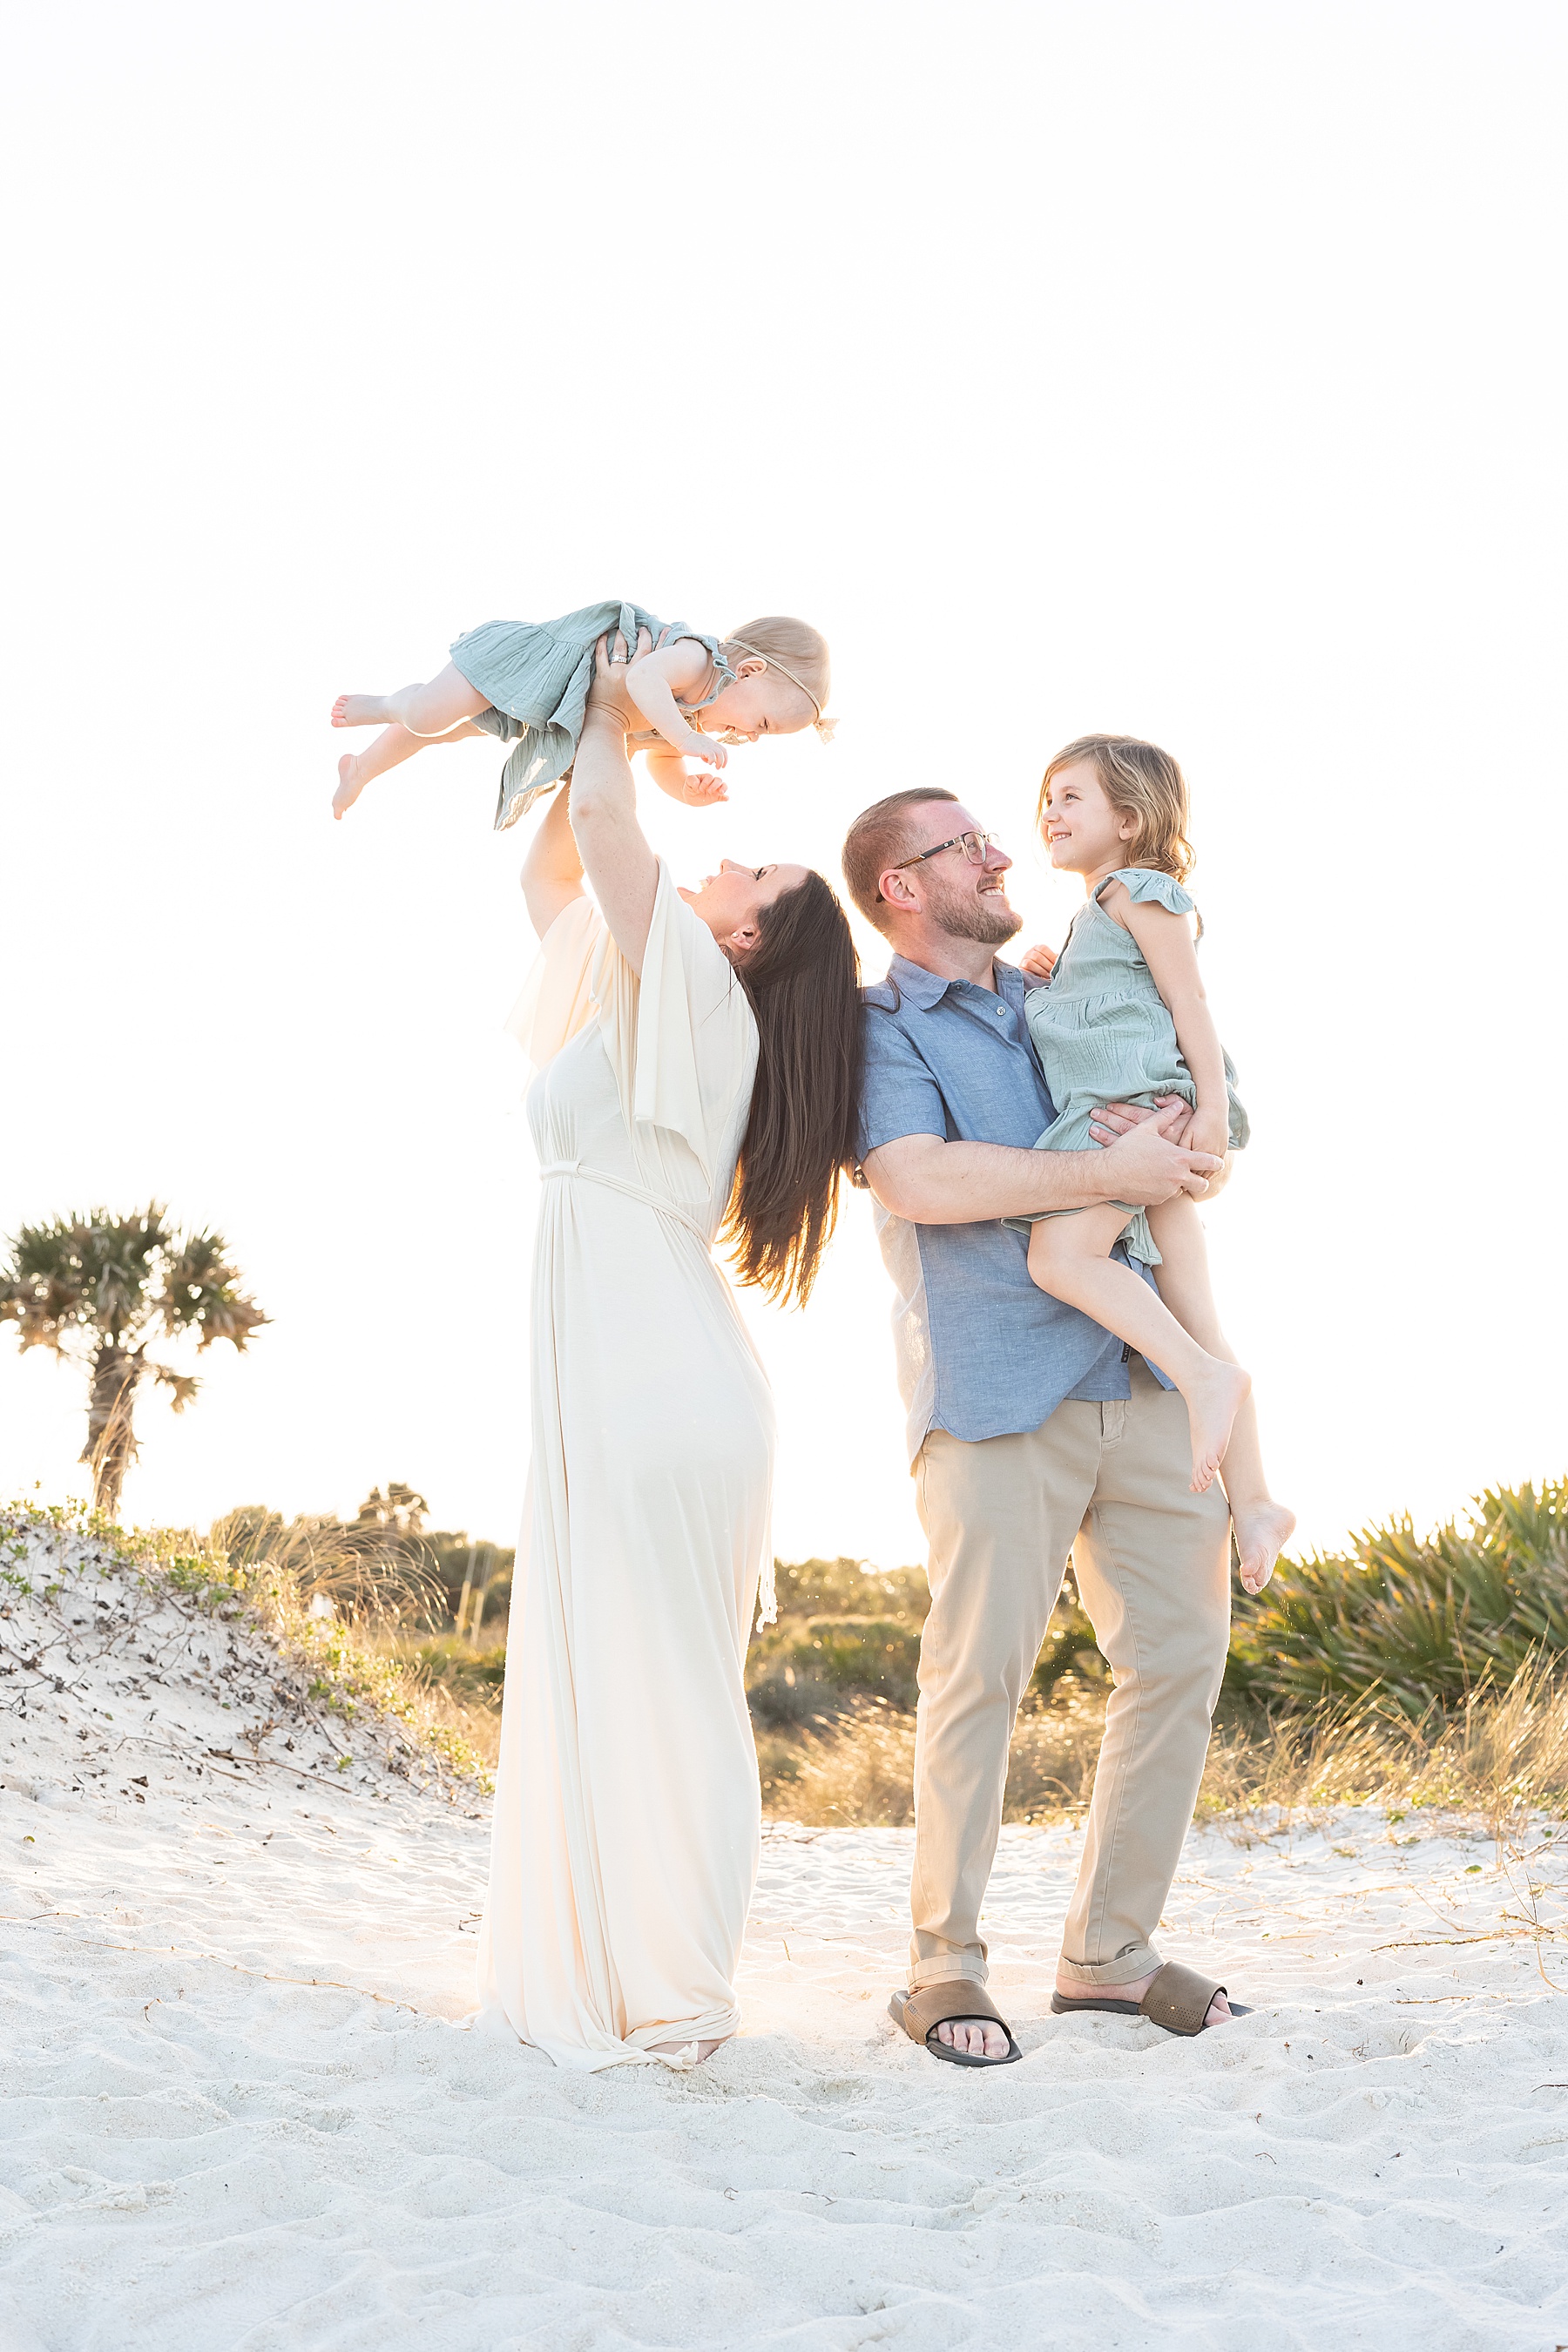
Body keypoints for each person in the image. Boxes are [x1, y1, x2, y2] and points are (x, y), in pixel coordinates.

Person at [478, 657, 861, 2071]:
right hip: (637, 1367)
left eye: (750, 870)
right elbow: (555, 876)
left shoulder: (697, 982)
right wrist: (622, 734)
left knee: (665, 1689)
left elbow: (610, 828)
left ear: (750, 939)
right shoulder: (652, 995)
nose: (727, 862)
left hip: (651, 1378)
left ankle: (685, 1992)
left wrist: (606, 703)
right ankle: (657, 1979)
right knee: (635, 1677)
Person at [842, 786, 1254, 2069]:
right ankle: (945, 1964)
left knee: (1181, 1659)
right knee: (978, 1683)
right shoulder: (879, 1026)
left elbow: (1194, 1121)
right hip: (999, 1390)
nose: (1001, 852)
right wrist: (1105, 1173)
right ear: (903, 886)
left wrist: (1187, 1136)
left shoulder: (1067, 984)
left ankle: (1108, 1956)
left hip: (1140, 1377)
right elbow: (918, 1178)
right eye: (965, 844)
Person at [1016, 734, 1294, 1582]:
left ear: (1129, 819)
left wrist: (1211, 1107)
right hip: (1139, 1111)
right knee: (1196, 1310)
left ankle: (1202, 1380)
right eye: (1047, 799)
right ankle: (1256, 1504)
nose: (1049, 813)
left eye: (1071, 798)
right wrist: (1052, 974)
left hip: (1131, 1111)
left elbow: (1188, 1000)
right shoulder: (1097, 911)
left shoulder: (1139, 889)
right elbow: (1120, 992)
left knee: (1060, 1254)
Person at [329, 601, 832, 825]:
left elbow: (657, 758)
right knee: (427, 714)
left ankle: (361, 770)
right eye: (764, 724)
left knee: (449, 733)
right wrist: (686, 739)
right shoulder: (697, 658)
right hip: (533, 663)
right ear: (747, 672)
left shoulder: (692, 719)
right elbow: (641, 678)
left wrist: (684, 788)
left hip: (547, 708)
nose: (755, 737)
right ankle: (386, 703)